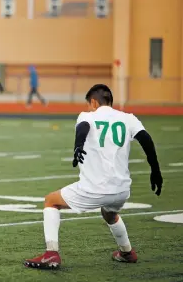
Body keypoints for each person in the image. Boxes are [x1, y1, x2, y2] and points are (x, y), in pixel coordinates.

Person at [24, 84, 163, 269]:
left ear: (94, 102)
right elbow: (146, 139)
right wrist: (155, 170)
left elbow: (83, 128)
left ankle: (51, 254)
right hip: (121, 190)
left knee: (51, 201)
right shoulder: (128, 118)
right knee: (110, 213)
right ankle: (127, 252)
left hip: (94, 189)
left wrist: (77, 146)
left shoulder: (87, 115)